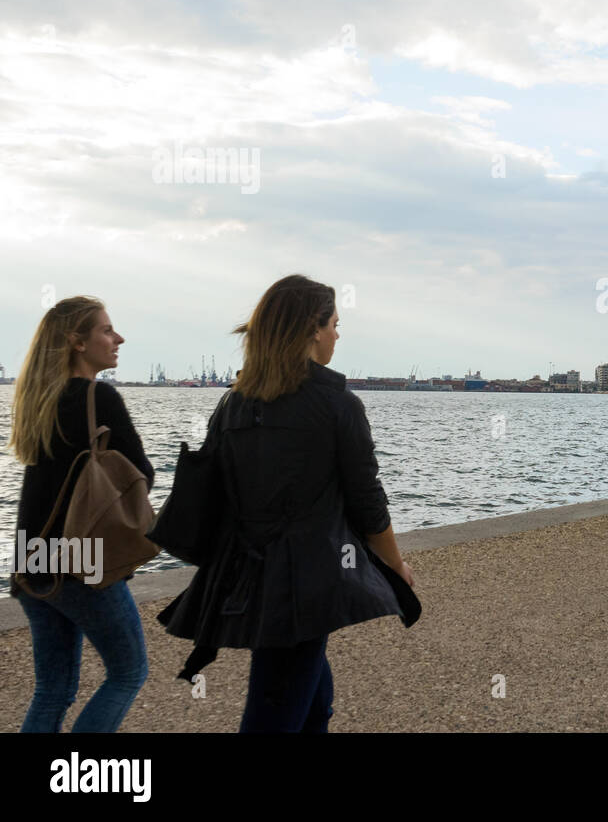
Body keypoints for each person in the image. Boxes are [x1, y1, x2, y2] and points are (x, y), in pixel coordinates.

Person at [157, 275, 418, 733]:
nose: (338, 333)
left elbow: (215, 495)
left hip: (250, 574)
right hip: (306, 582)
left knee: (312, 703)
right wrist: (395, 566)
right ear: (313, 330)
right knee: (273, 714)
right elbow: (367, 501)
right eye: (334, 323)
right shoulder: (337, 405)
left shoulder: (233, 404)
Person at [8, 296, 152, 732]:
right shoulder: (97, 396)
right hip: (81, 558)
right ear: (76, 341)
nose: (118, 338)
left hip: (31, 556)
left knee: (52, 689)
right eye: (107, 330)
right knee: (128, 673)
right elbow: (141, 474)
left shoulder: (37, 398)